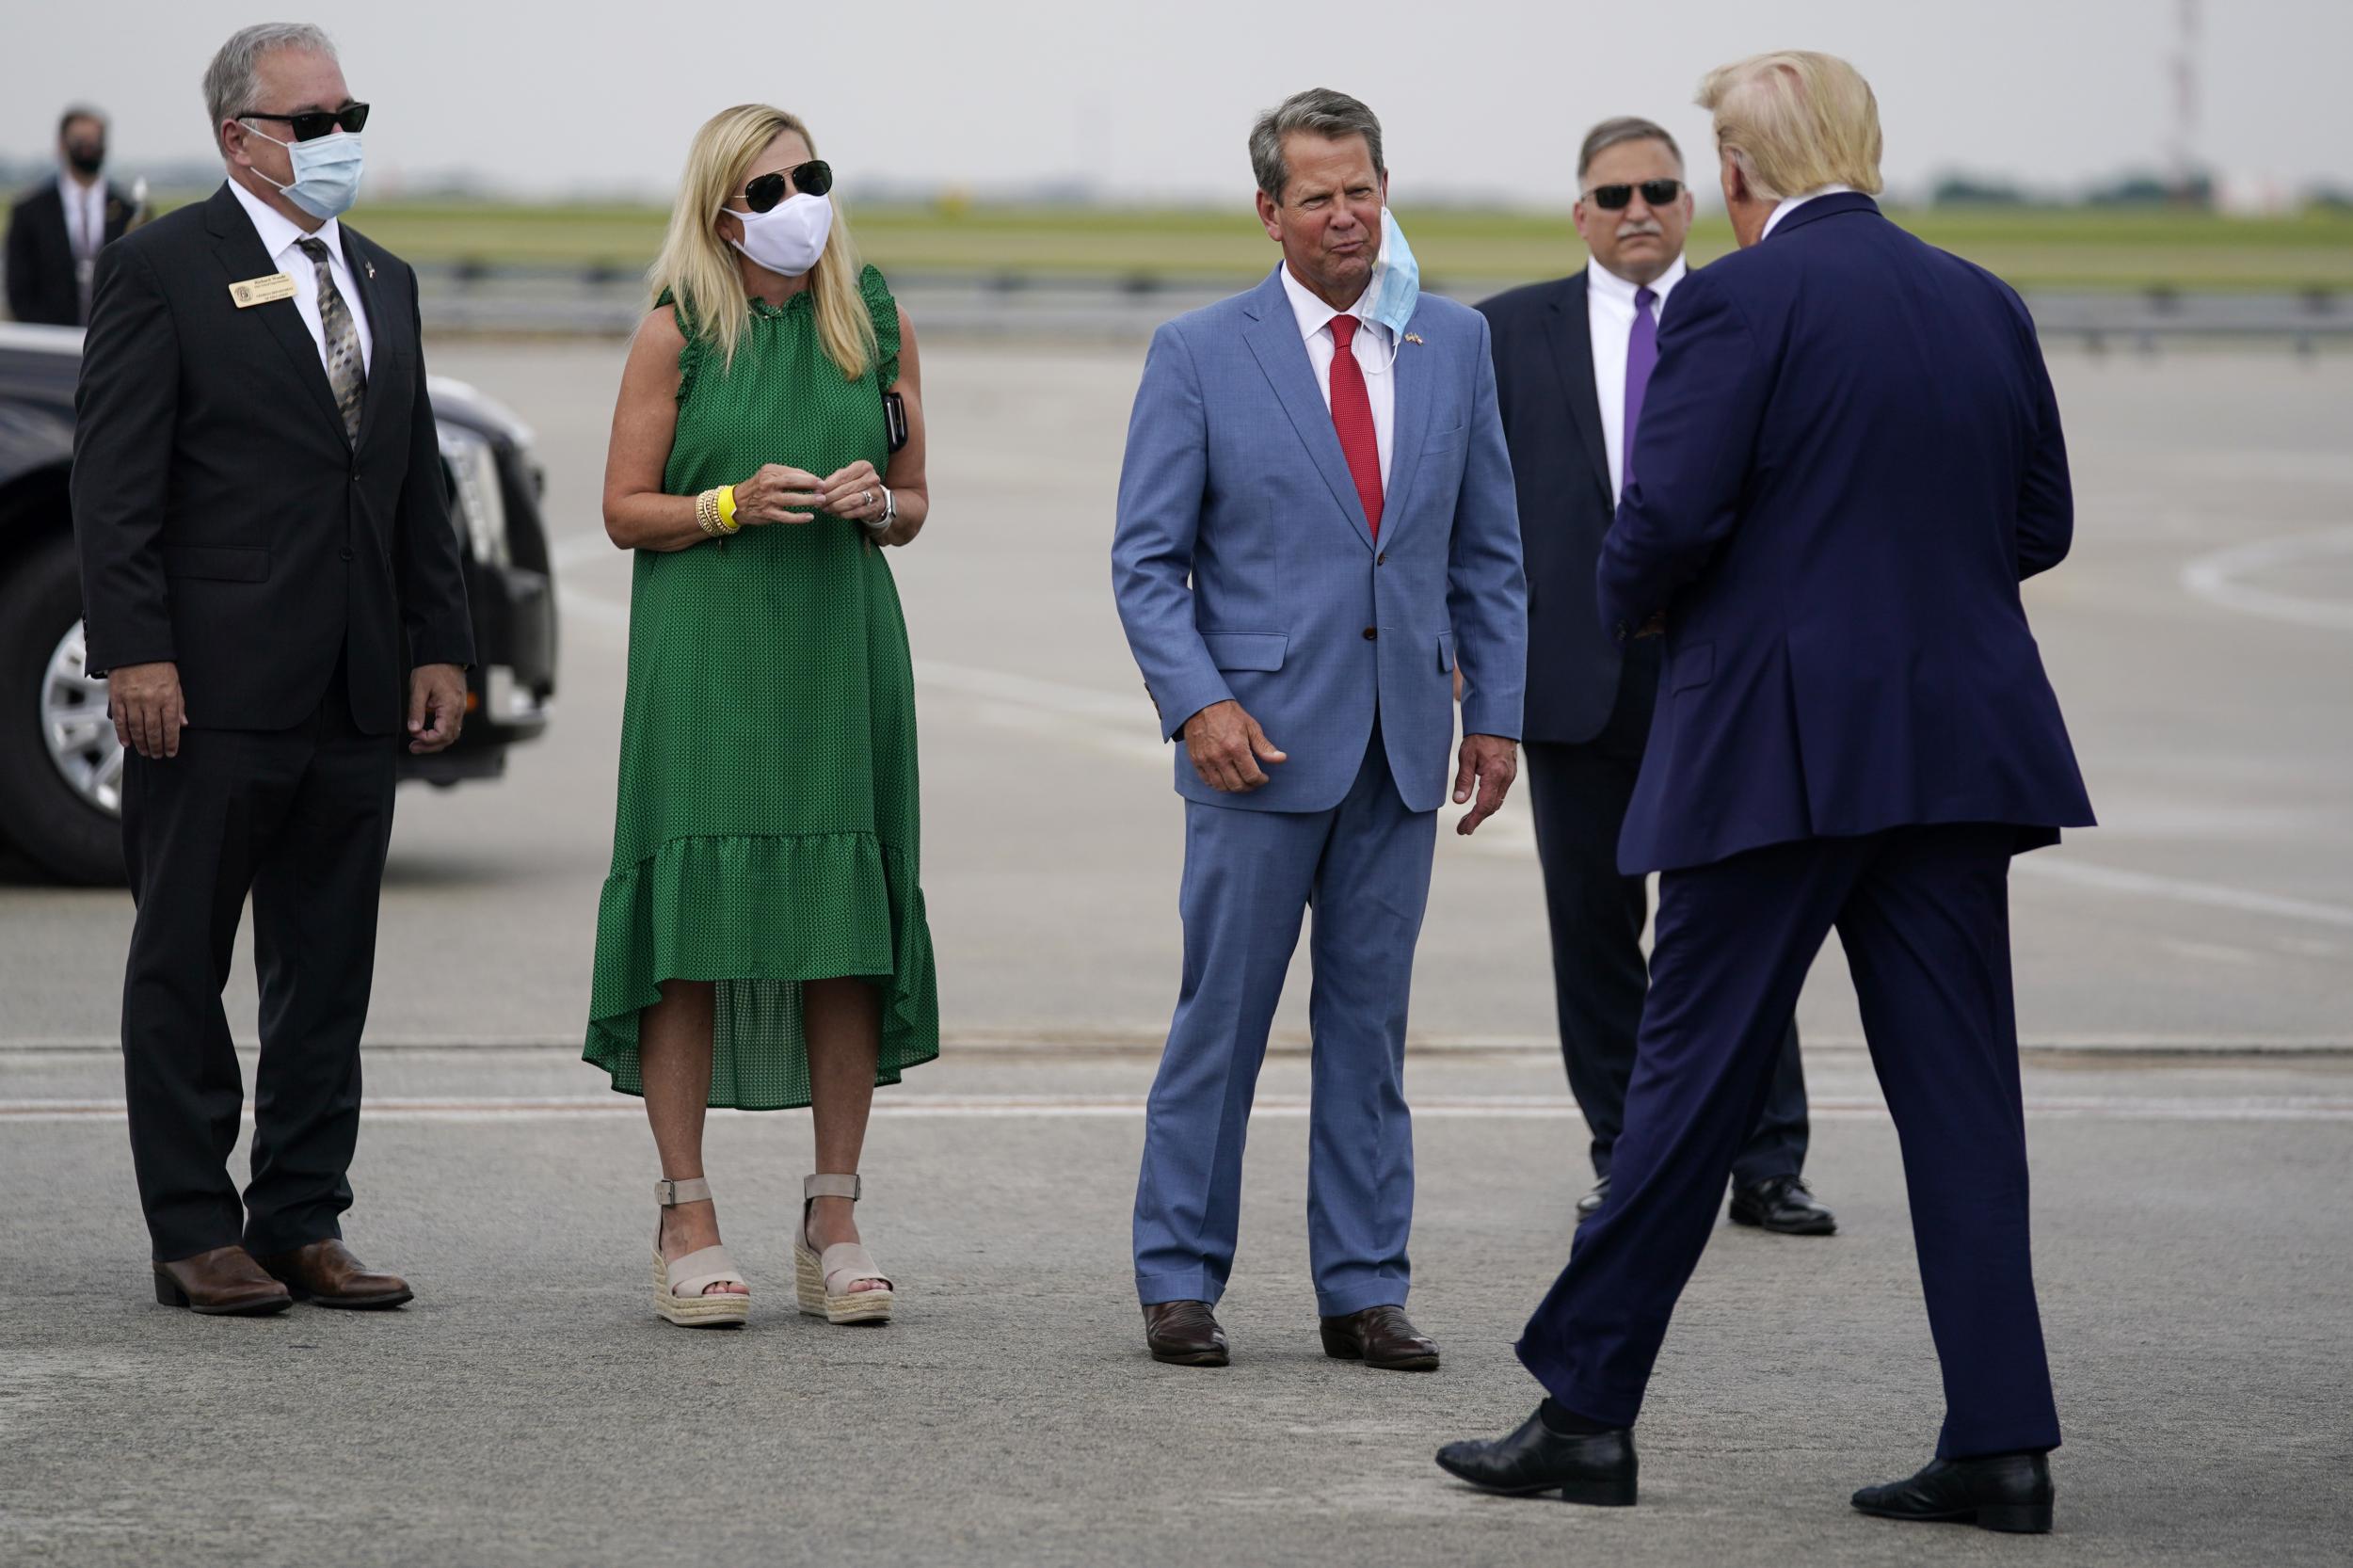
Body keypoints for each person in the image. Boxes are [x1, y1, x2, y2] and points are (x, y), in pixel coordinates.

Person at [1436, 51, 2093, 1531]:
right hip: (1957, 749)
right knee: (1965, 1101)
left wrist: (1650, 610)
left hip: (1779, 750)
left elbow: (1660, 519)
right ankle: (2002, 1440)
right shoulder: (1980, 298)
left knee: (1682, 1086)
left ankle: (1586, 1414)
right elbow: (2039, 520)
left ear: (1739, 176)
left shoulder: (1737, 298)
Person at [1112, 88, 1526, 1371]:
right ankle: (1178, 1279)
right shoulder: (1199, 350)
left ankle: (1363, 1288)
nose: (1346, 215)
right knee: (1219, 1026)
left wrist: (1496, 712)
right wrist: (1198, 704)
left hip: (1403, 746)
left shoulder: (1452, 342)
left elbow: (1488, 550)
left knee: (1369, 1031)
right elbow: (1145, 561)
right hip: (1255, 749)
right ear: (1270, 212)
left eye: (1362, 189)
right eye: (1318, 196)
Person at [72, 24, 472, 1315]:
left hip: (356, 687)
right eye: (316, 117)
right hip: (214, 684)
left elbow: (413, 486)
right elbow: (115, 487)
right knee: (183, 960)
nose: (341, 134)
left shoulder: (381, 275)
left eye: (352, 110)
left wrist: (442, 643)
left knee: (326, 970)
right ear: (240, 136)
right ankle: (194, 1225)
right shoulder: (161, 269)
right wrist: (135, 648)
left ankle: (303, 1214)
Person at [589, 104, 936, 1330]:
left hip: (839, 651)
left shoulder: (874, 315)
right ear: (722, 210)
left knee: (842, 932)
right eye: (771, 184)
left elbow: (914, 497)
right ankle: (685, 1209)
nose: (800, 198)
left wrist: (874, 506)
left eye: (813, 175)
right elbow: (625, 508)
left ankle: (832, 1212)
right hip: (711, 661)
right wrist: (726, 503)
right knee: (692, 925)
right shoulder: (675, 330)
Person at [1479, 117, 1832, 1237]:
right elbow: (1471, 515)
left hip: (1726, 676)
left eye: (1660, 190)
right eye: (1614, 193)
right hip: (1575, 678)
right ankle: (1627, 1153)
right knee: (1593, 927)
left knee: (1739, 914)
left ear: (1695, 203)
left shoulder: (1754, 313)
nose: (1638, 210)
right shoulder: (1502, 334)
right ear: (1578, 211)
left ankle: (1766, 1158)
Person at [8, 105, 136, 326]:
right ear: (61, 145)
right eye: (79, 140)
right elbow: (19, 290)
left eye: (94, 139)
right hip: (50, 339)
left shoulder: (128, 211)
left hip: (112, 339)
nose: (87, 147)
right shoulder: (30, 212)